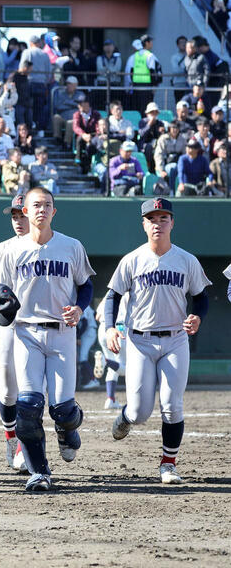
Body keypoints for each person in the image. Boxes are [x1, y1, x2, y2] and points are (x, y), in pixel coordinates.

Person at [0, 187, 95, 492]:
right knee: (28, 406)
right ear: (27, 210)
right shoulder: (10, 250)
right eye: (36, 205)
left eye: (47, 205)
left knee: (62, 408)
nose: (41, 210)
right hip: (25, 332)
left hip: (61, 332)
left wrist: (79, 308)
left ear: (54, 211)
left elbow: (85, 285)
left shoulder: (71, 246)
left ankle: (67, 427)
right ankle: (40, 472)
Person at [107, 198, 210, 484]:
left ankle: (168, 465)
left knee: (171, 404)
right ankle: (126, 417)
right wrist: (109, 328)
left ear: (172, 222)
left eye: (164, 218)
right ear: (144, 224)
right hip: (140, 341)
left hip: (175, 339)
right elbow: (113, 295)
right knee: (140, 411)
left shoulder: (186, 260)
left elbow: (201, 296)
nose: (158, 224)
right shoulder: (132, 259)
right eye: (152, 219)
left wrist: (197, 316)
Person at [0, 195, 30, 471]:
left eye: (22, 215)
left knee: (30, 390)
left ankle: (25, 445)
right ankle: (11, 438)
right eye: (14, 216)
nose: (18, 221)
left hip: (38, 326)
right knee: (9, 389)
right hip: (8, 326)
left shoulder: (50, 246)